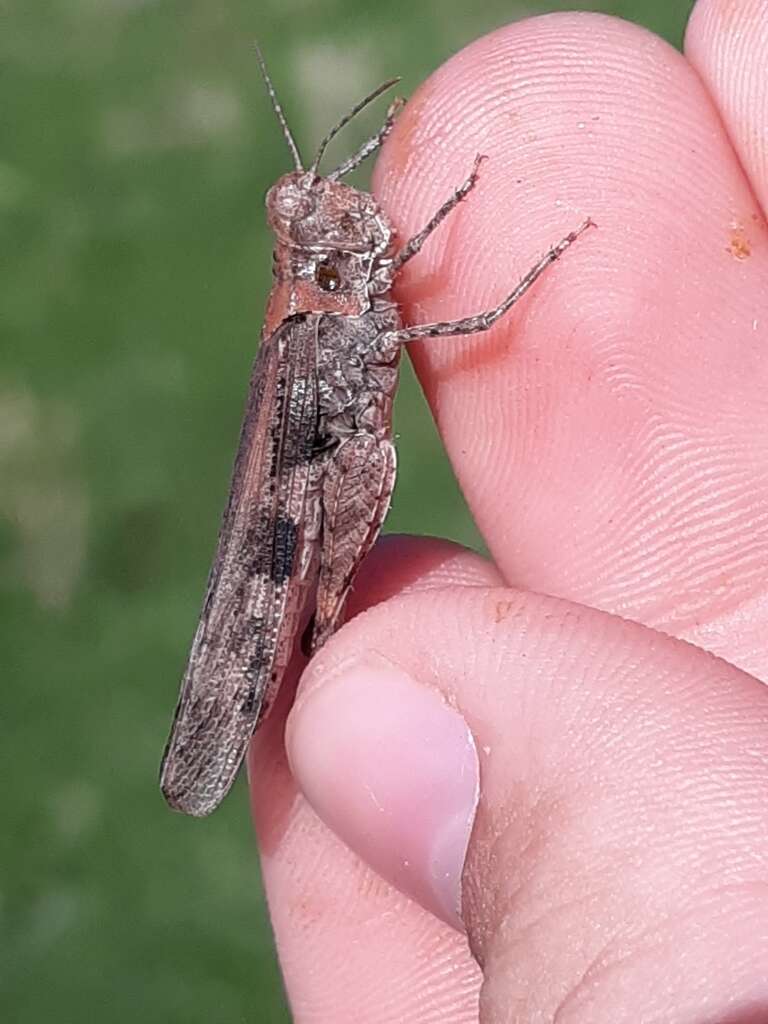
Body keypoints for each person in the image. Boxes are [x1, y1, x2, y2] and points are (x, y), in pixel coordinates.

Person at [249, 3, 768, 1019]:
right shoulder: (314, 319)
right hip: (323, 483)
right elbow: (450, 313)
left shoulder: (339, 286)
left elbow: (393, 286)